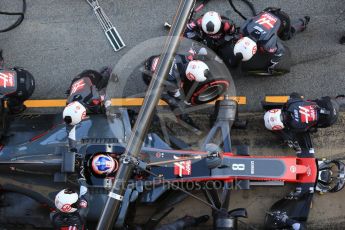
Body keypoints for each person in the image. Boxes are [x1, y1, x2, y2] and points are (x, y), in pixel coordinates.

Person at [231, 7, 310, 73]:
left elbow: (280, 51)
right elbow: (251, 19)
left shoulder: (267, 44)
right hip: (268, 10)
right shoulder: (243, 29)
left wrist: (272, 65)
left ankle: (303, 22)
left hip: (283, 19)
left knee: (287, 36)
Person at [264, 93, 343, 152]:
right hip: (330, 103)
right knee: (312, 102)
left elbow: (305, 130)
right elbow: (295, 95)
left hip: (331, 120)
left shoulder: (293, 127)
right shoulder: (291, 104)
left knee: (311, 127)